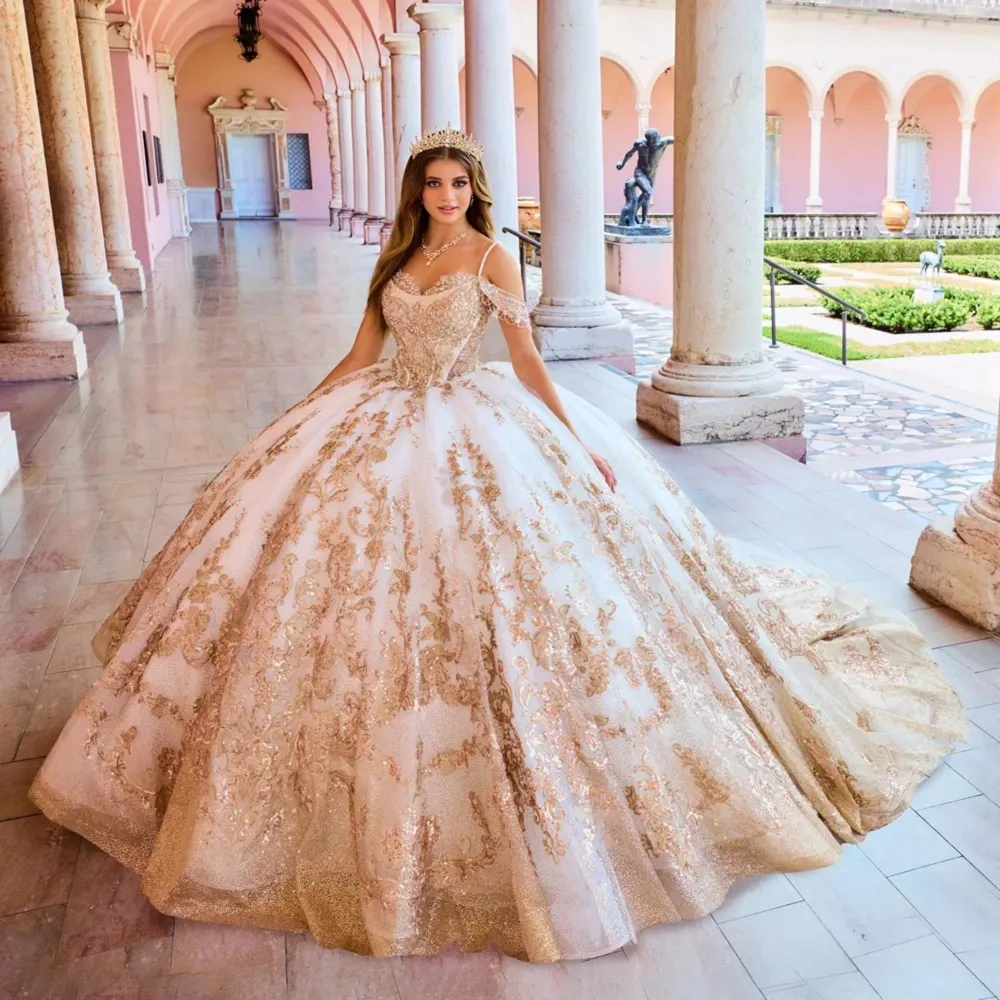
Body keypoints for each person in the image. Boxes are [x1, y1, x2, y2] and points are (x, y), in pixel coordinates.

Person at [30, 129, 964, 965]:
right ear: (416, 190)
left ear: (473, 188)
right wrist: (301, 411)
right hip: (380, 410)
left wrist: (574, 440)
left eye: (456, 184)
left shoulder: (493, 256)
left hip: (474, 422)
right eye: (432, 184)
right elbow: (364, 353)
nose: (444, 196)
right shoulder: (399, 253)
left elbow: (522, 362)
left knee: (501, 593)